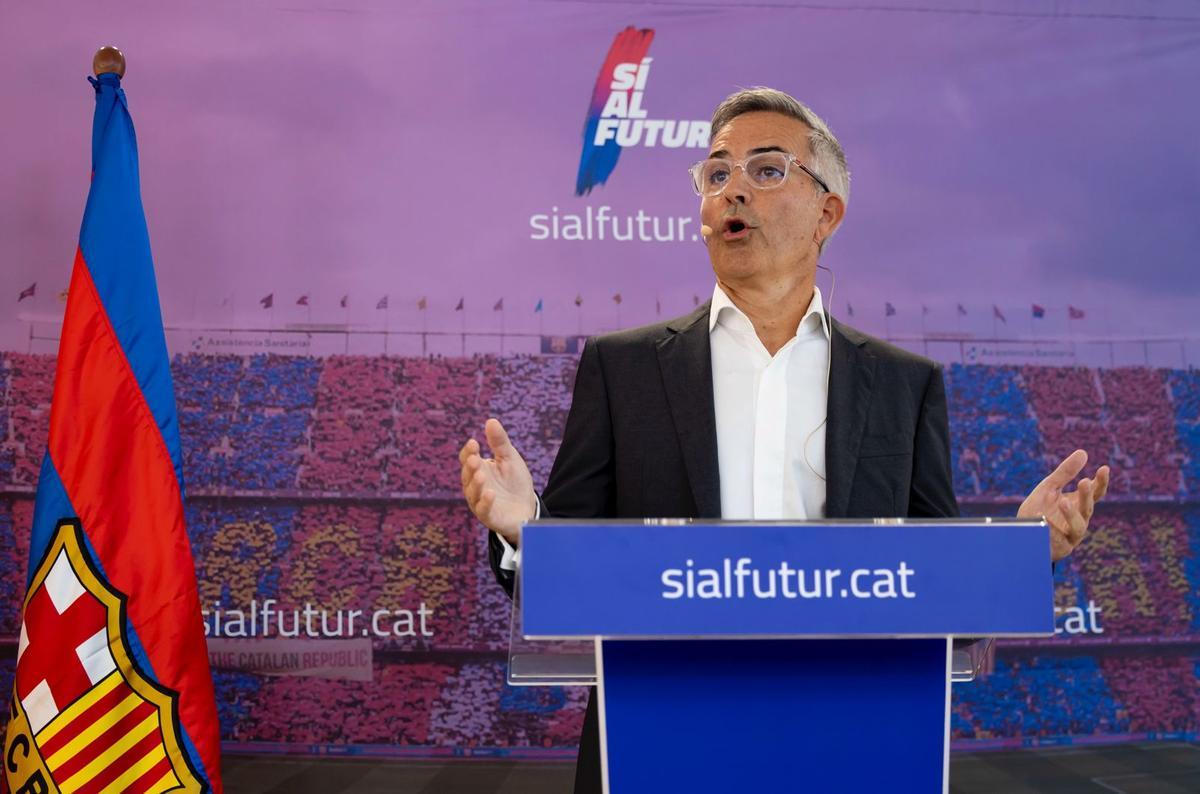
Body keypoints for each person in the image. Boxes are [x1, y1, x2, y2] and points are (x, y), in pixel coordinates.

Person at [459, 87, 1110, 794]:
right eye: (716, 174)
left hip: (852, 745)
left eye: (765, 170)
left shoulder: (902, 383)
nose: (732, 188)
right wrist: (528, 531)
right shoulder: (623, 368)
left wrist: (1023, 555)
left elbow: (931, 597)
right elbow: (570, 578)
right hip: (661, 742)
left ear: (827, 210)